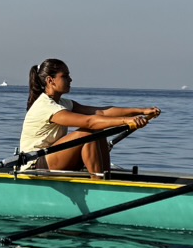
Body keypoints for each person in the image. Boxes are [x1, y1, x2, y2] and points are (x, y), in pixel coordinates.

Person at [18, 59, 160, 176]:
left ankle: (105, 178)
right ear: (50, 80)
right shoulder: (45, 106)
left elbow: (101, 113)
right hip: (35, 164)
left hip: (54, 158)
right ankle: (100, 185)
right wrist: (127, 121)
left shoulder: (63, 103)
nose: (70, 79)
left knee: (98, 131)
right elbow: (89, 122)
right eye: (65, 76)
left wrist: (141, 111)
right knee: (87, 133)